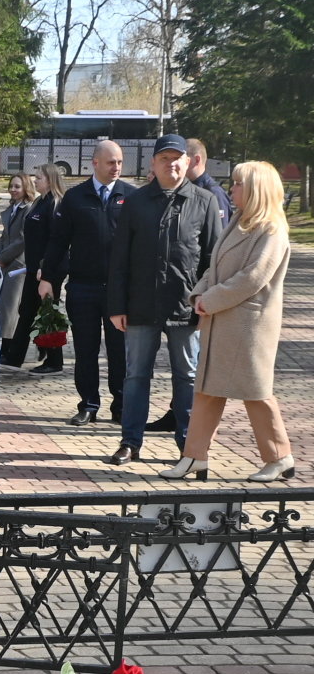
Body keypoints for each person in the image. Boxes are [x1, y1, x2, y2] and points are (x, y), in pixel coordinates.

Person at [161, 161, 296, 482]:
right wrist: (199, 294)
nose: (231, 189)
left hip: (249, 328)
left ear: (256, 190)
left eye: (238, 184)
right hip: (222, 322)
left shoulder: (272, 230)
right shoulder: (239, 221)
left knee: (256, 392)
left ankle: (280, 457)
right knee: (207, 390)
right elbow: (215, 267)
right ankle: (194, 457)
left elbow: (253, 277)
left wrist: (211, 299)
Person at [106, 134, 221, 466]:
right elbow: (119, 258)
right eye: (164, 159)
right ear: (153, 164)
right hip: (140, 306)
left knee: (187, 377)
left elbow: (212, 260)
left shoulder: (204, 201)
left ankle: (190, 445)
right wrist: (117, 306)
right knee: (136, 376)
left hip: (187, 307)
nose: (171, 164)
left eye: (177, 158)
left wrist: (206, 302)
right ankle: (130, 442)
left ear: (187, 162)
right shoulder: (136, 202)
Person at [40, 140, 135, 425]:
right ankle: (89, 404)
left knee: (119, 352)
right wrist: (48, 278)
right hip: (83, 287)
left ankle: (121, 406)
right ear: (95, 163)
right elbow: (58, 241)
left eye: (119, 162)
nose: (116, 167)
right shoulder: (75, 197)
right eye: (110, 162)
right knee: (85, 350)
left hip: (119, 290)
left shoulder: (131, 196)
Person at [10, 162, 67, 375]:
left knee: (48, 313)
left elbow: (56, 240)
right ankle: (14, 356)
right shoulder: (39, 202)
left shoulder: (55, 203)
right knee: (27, 311)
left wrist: (46, 266)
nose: (35, 180)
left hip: (48, 269)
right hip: (34, 268)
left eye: (39, 177)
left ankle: (54, 360)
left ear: (50, 180)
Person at [0, 173, 35, 367]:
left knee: (11, 307)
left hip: (18, 264)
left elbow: (23, 239)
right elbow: (5, 236)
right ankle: (4, 346)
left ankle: (8, 348)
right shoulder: (12, 208)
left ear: (25, 188)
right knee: (4, 307)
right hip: (6, 262)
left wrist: (3, 258)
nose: (13, 189)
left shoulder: (28, 209)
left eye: (17, 186)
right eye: (11, 186)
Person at [186, 138, 233, 228]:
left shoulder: (214, 193)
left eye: (183, 159)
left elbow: (221, 231)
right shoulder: (185, 189)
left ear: (197, 160)